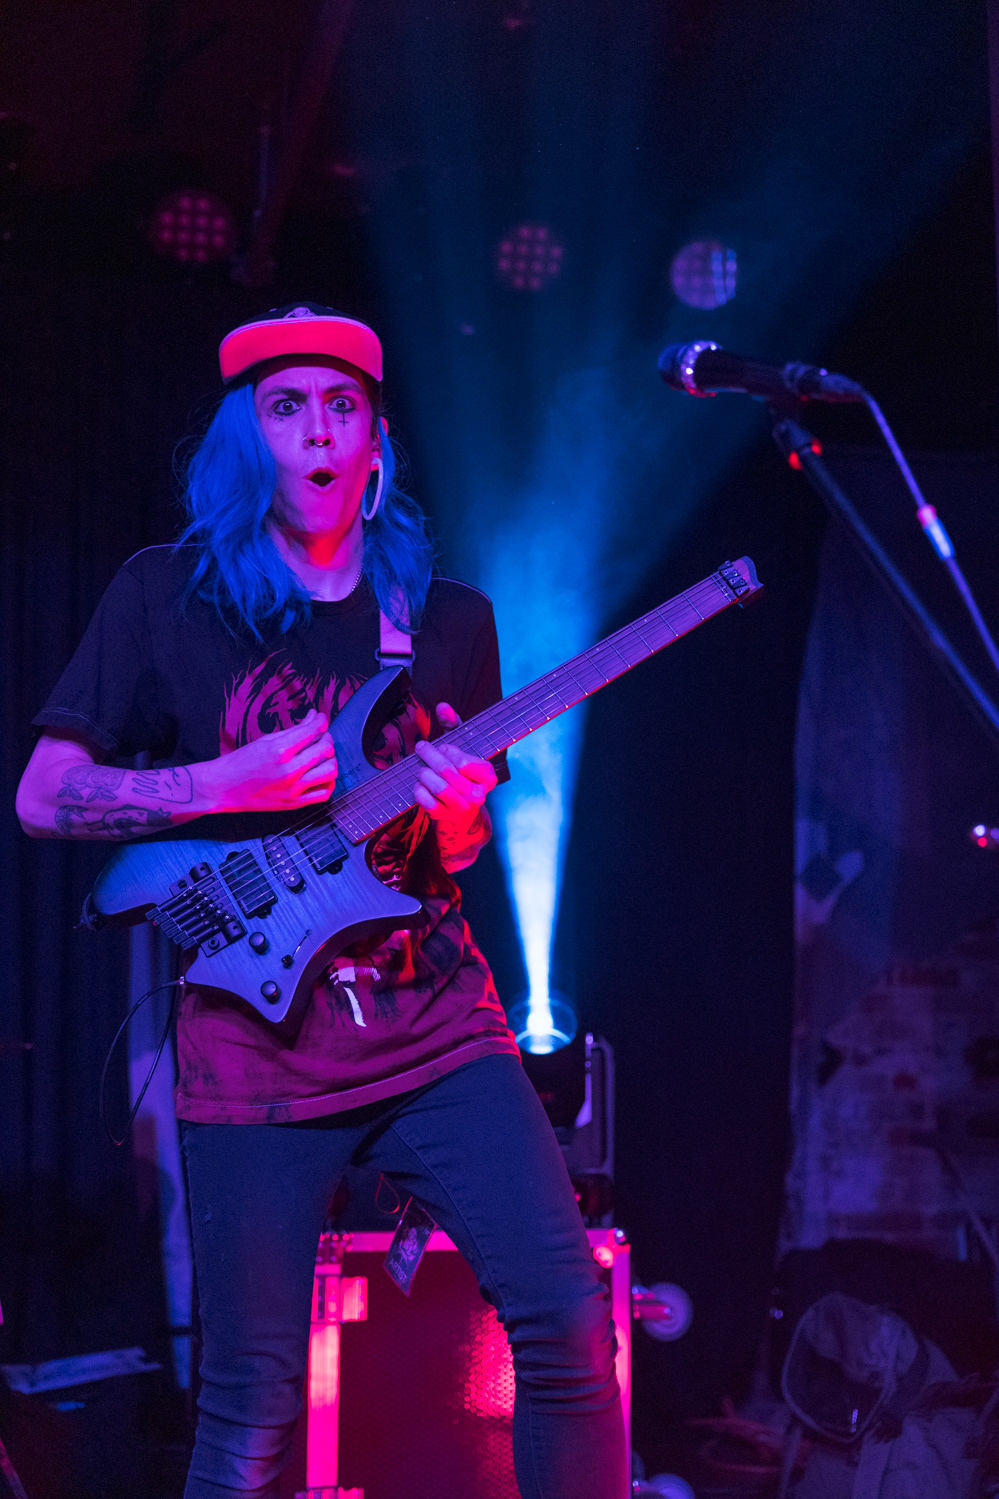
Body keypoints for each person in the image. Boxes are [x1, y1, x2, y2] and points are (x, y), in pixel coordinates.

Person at [16, 303, 627, 1499]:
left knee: (568, 1328)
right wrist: (220, 781)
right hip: (255, 1048)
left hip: (436, 1021)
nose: (318, 431)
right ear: (248, 437)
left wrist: (455, 819)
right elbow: (44, 798)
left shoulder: (448, 621)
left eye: (341, 405)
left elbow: (451, 838)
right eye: (287, 406)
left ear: (375, 437)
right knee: (248, 1418)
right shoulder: (165, 597)